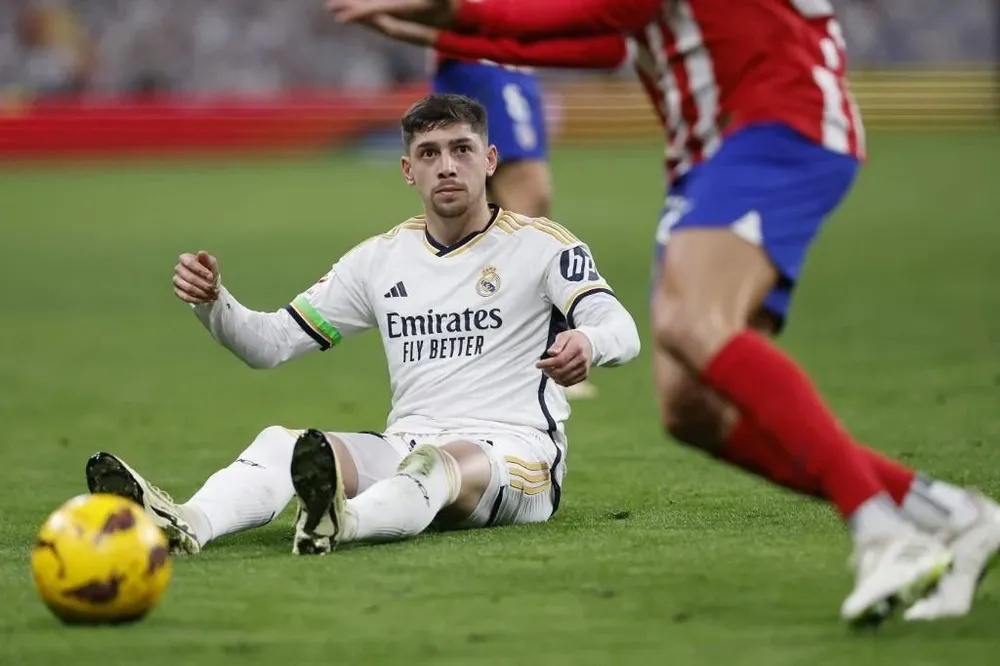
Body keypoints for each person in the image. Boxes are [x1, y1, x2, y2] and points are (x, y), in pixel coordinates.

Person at [326, 0, 1000, 625]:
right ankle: (953, 514)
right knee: (692, 409)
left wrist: (442, 14)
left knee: (689, 322)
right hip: (714, 152)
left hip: (775, 123)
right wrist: (438, 30)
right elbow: (604, 44)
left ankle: (881, 531)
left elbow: (585, 15)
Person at [85, 93, 640, 557]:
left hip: (519, 458)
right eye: (429, 152)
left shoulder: (541, 244)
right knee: (283, 444)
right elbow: (270, 345)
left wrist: (588, 341)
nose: (447, 165)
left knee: (434, 465)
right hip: (408, 441)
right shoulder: (379, 260)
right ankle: (186, 523)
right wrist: (214, 303)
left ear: (490, 160)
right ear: (408, 169)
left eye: (461, 149)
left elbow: (622, 328)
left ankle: (341, 524)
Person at [429, 50, 599, 400]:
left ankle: (470, 354)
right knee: (527, 200)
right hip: (484, 59)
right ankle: (544, 354)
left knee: (481, 214)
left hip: (510, 57)